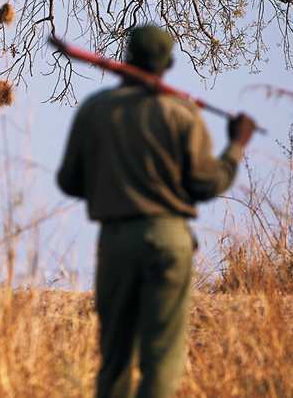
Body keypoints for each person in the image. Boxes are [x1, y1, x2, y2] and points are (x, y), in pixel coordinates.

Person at [56, 25, 256, 398]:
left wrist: (108, 182)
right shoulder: (182, 114)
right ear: (168, 64)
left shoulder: (95, 111)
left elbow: (69, 181)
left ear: (126, 57)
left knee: (115, 358)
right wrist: (235, 148)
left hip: (115, 241)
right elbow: (206, 184)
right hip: (169, 241)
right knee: (162, 358)